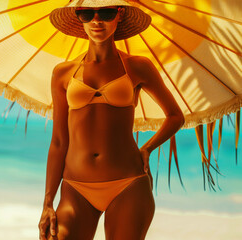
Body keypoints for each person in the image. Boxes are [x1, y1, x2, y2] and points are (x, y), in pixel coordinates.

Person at [38, 1, 185, 239]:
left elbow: (175, 116)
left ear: (119, 15)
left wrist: (147, 148)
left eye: (106, 13)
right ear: (79, 17)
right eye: (87, 13)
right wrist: (47, 202)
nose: (97, 21)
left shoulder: (137, 67)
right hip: (75, 187)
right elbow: (58, 142)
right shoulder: (63, 73)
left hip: (128, 183)